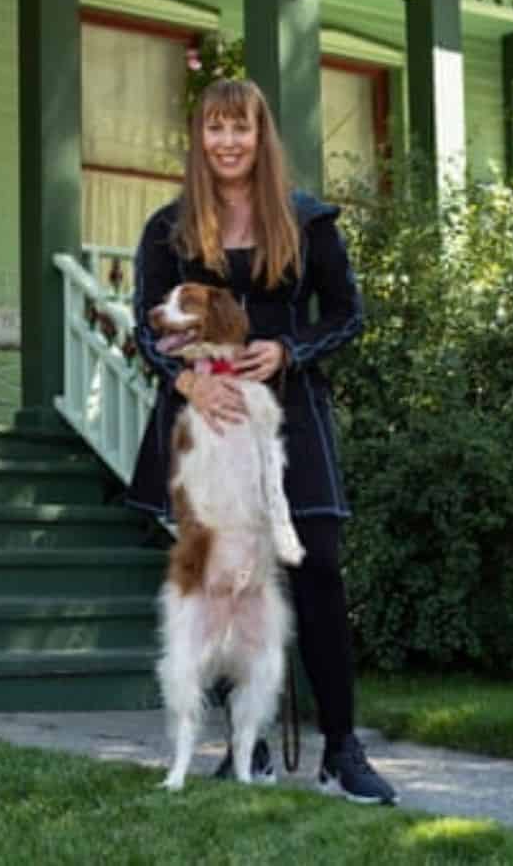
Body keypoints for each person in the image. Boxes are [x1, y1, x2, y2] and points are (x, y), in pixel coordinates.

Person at [127, 76, 397, 806]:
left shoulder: (306, 222)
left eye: (240, 128)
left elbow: (347, 312)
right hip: (204, 422)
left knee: (319, 567)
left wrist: (290, 350)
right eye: (214, 129)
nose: (227, 142)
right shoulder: (169, 228)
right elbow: (142, 329)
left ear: (260, 136)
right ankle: (242, 750)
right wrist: (187, 384)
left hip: (291, 416)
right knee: (218, 580)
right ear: (199, 139)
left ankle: (342, 749)